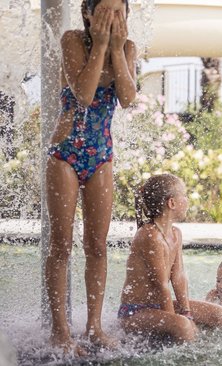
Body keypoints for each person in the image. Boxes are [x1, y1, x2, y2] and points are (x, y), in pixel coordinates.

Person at [44, 0, 137, 354]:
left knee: (97, 246)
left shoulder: (127, 48)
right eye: (105, 11)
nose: (114, 18)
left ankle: (94, 327)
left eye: (119, 11)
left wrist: (115, 48)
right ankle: (60, 332)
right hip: (66, 151)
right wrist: (100, 45)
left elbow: (127, 98)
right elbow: (83, 95)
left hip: (101, 156)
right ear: (87, 13)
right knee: (61, 245)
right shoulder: (72, 40)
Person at [119, 174, 222, 343]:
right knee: (183, 326)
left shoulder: (176, 233)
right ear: (171, 203)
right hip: (136, 312)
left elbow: (178, 276)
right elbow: (161, 285)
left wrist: (187, 313)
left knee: (219, 314)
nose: (187, 201)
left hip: (158, 306)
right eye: (184, 196)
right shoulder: (150, 236)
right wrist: (177, 321)